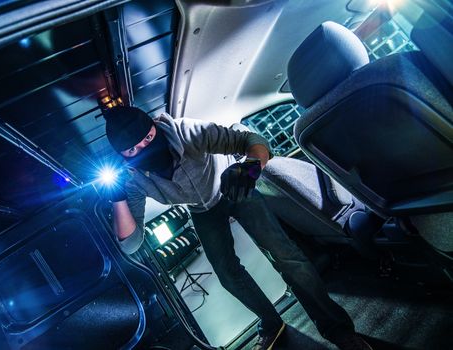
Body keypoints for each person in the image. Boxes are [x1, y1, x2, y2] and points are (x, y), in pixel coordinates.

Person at [102, 105, 372, 350]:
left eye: (148, 138)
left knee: (287, 256)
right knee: (227, 273)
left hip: (234, 186)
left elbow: (253, 142)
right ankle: (271, 323)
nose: (144, 149)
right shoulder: (131, 180)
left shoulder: (186, 131)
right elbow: (131, 242)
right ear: (122, 155)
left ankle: (339, 331)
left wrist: (250, 170)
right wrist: (118, 197)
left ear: (154, 126)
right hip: (202, 210)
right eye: (132, 150)